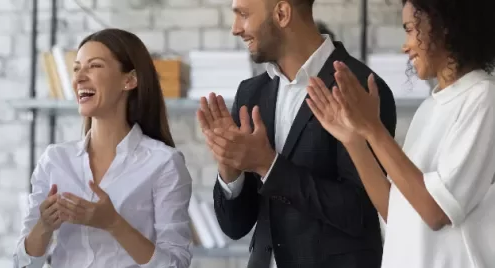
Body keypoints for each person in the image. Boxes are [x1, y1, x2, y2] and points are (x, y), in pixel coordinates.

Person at [198, 0, 398, 267]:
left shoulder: (359, 88)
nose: (235, 28)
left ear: (282, 13)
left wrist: (268, 165)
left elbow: (360, 212)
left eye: (243, 15)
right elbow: (235, 227)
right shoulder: (251, 92)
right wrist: (229, 168)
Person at [305, 0, 495, 267]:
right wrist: (354, 140)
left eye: (410, 29)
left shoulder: (483, 97)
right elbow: (396, 212)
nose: (405, 46)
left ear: (444, 26)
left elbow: (437, 212)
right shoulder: (429, 108)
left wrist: (374, 128)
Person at [13, 28, 193, 268]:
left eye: (94, 66)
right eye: (76, 68)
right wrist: (44, 226)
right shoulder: (55, 160)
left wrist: (113, 223)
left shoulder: (163, 163)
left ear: (129, 80)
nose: (79, 78)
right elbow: (23, 264)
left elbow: (175, 264)